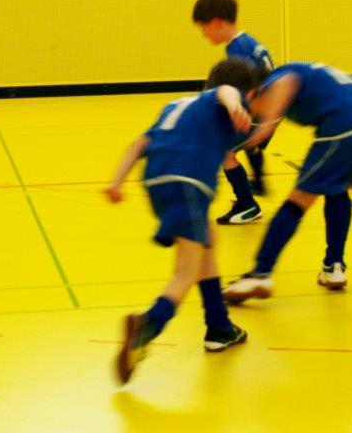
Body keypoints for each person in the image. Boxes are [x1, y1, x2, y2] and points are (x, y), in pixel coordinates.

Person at [104, 57, 259, 384]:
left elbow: (139, 144)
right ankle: (147, 325)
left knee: (207, 243)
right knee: (186, 271)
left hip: (156, 183)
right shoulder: (225, 98)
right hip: (188, 183)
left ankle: (219, 327)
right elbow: (227, 91)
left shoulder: (176, 105)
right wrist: (236, 105)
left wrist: (116, 181)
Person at [221, 62, 352, 303]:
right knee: (337, 188)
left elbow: (287, 83)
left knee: (296, 202)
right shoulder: (295, 77)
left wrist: (265, 127)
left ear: (250, 93)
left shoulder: (276, 81)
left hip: (341, 129)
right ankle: (334, 266)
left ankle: (260, 273)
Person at [193, 0, 275, 222]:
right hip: (271, 112)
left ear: (217, 22)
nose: (204, 34)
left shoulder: (237, 50)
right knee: (247, 144)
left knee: (225, 152)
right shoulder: (247, 41)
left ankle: (247, 206)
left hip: (261, 116)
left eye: (203, 28)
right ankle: (258, 181)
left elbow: (248, 89)